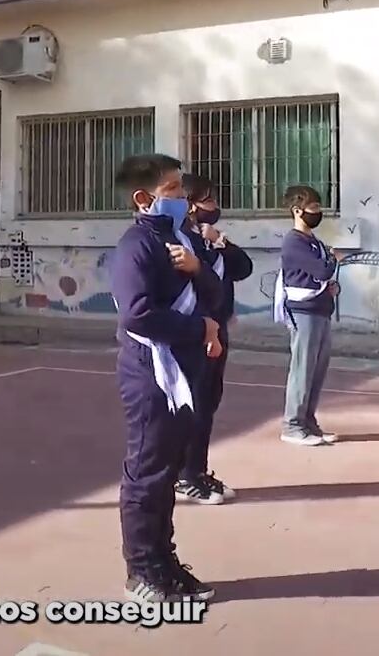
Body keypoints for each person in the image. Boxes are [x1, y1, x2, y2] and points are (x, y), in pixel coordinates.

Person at [110, 153, 224, 603]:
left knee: (167, 470)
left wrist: (197, 271)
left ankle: (164, 558)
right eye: (173, 190)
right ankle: (142, 570)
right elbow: (137, 314)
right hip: (151, 375)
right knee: (147, 473)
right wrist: (200, 328)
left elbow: (215, 293)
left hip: (186, 370)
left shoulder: (183, 240)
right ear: (144, 198)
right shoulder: (134, 246)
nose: (182, 198)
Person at [174, 173, 253, 505]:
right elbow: (197, 286)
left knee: (209, 402)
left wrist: (221, 241)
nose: (215, 206)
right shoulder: (183, 242)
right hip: (198, 332)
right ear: (191, 205)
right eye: (209, 200)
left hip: (217, 329)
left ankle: (197, 470)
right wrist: (207, 325)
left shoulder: (209, 240)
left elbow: (242, 267)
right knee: (194, 404)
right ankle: (184, 475)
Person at [273, 185, 342, 447]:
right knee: (302, 369)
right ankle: (292, 424)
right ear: (297, 210)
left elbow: (318, 277)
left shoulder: (313, 241)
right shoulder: (294, 241)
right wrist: (333, 261)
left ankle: (308, 421)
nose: (318, 212)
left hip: (321, 309)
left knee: (316, 370)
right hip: (303, 313)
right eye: (313, 207)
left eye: (318, 207)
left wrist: (330, 287)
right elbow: (322, 270)